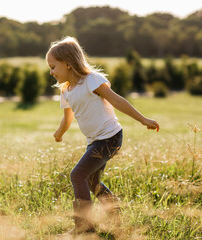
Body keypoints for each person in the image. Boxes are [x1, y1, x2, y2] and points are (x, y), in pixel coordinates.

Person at [46, 36, 159, 234]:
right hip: (95, 142)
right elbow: (67, 118)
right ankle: (115, 214)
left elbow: (117, 101)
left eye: (54, 66)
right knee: (92, 181)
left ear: (68, 64)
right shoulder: (66, 91)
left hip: (110, 138)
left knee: (78, 175)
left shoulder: (92, 80)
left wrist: (144, 120)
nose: (51, 71)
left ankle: (85, 227)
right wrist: (59, 133)